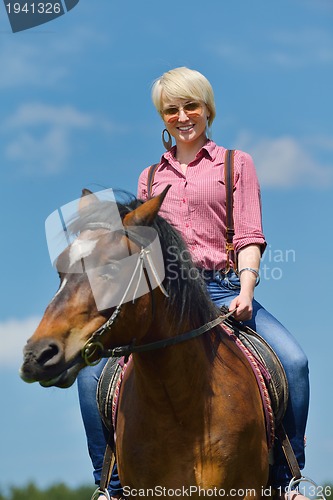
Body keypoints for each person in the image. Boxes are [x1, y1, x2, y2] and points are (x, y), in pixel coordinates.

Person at [78, 66, 310, 499]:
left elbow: (249, 235)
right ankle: (109, 486)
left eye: (191, 106)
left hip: (223, 288)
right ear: (161, 117)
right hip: (164, 297)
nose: (182, 116)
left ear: (207, 109)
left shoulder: (235, 163)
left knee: (294, 363)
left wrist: (245, 290)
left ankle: (287, 478)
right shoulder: (148, 178)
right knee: (91, 377)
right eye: (171, 109)